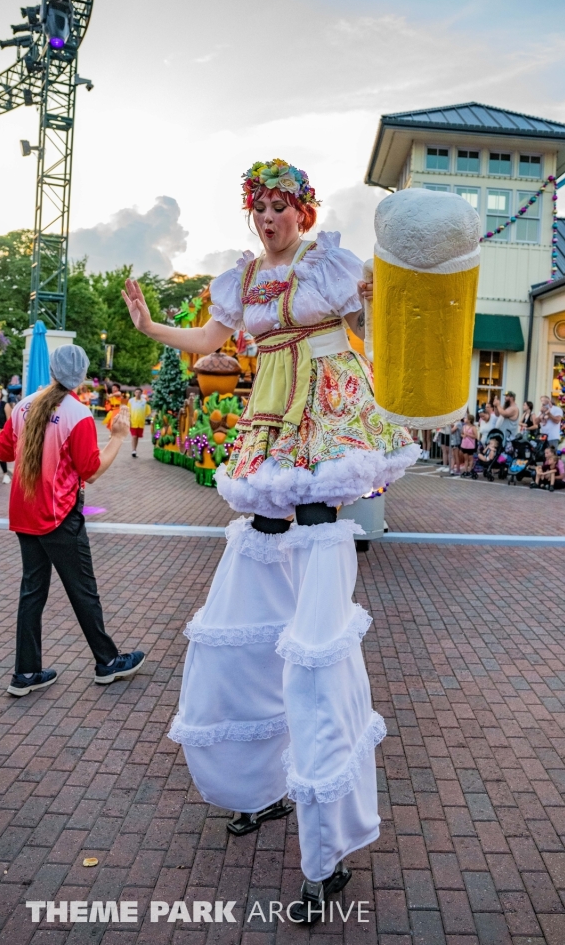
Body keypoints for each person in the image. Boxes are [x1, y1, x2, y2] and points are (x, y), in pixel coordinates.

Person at [121, 158, 419, 921]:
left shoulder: (329, 266)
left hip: (324, 413)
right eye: (259, 207)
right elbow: (211, 336)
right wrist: (152, 325)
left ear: (303, 212)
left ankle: (324, 834)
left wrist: (378, 301)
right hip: (269, 423)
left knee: (316, 538)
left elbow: (368, 323)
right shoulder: (243, 278)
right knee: (256, 544)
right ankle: (261, 781)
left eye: (280, 207)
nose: (267, 217)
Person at [0, 345, 146, 697]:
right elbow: (91, 471)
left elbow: (3, 451)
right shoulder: (77, 413)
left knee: (32, 592)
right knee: (83, 591)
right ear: (81, 377)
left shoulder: (23, 405)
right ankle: (107, 662)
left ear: (51, 369)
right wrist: (119, 438)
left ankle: (26, 672)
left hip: (24, 512)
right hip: (59, 515)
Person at [128, 388, 151, 457]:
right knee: (134, 436)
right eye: (136, 392)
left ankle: (135, 450)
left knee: (137, 437)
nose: (137, 394)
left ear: (141, 393)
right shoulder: (131, 401)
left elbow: (147, 412)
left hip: (140, 423)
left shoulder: (144, 401)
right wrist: (129, 420)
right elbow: (128, 411)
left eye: (139, 392)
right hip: (133, 422)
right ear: (134, 393)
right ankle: (133, 450)